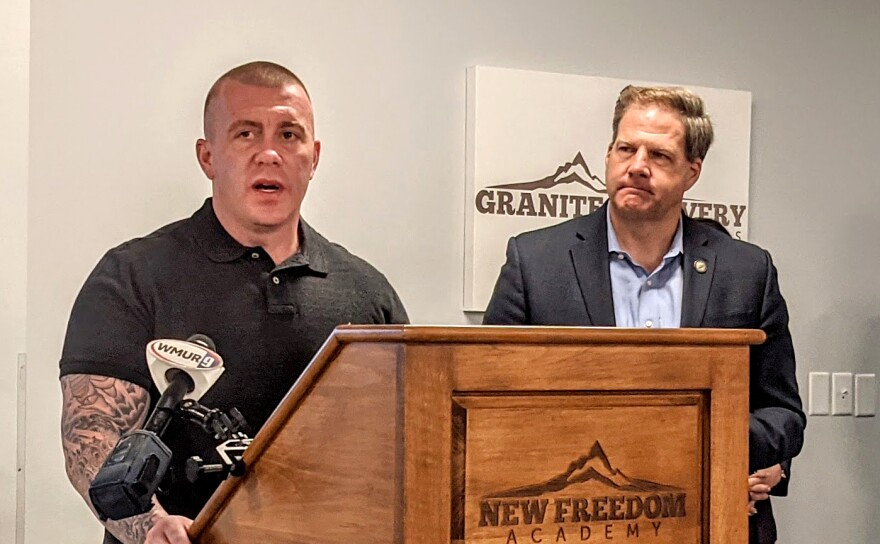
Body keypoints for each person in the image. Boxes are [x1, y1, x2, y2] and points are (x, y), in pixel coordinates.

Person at [59, 61, 408, 544]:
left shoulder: (369, 294)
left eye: (289, 135)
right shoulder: (132, 276)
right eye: (246, 134)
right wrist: (150, 526)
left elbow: (403, 448)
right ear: (208, 157)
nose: (269, 153)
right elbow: (92, 434)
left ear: (314, 156)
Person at [482, 85, 804, 543]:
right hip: (568, 523)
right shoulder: (535, 261)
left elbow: (782, 411)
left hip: (715, 522)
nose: (637, 166)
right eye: (626, 148)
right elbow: (489, 401)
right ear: (609, 154)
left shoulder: (746, 270)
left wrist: (743, 460)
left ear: (692, 172)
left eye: (659, 155)